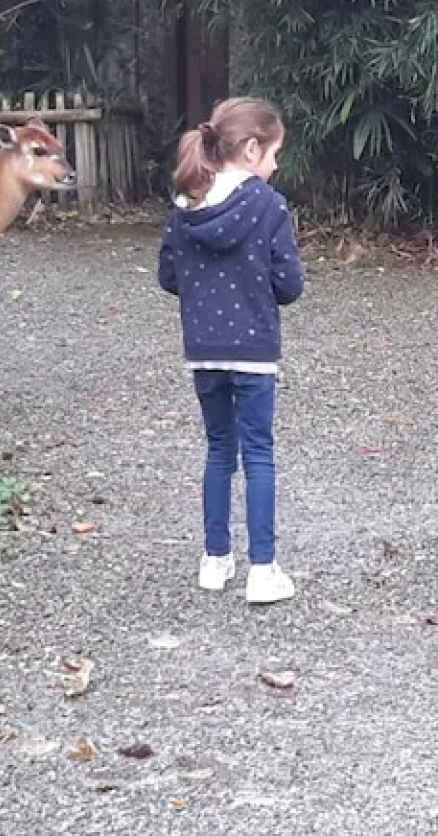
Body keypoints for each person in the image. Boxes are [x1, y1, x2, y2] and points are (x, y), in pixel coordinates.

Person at [157, 97, 305, 604]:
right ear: (250, 148)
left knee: (220, 450)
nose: (276, 164)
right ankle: (263, 569)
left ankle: (214, 560)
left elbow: (168, 276)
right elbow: (289, 284)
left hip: (203, 350)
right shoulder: (269, 206)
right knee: (258, 453)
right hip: (255, 351)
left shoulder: (184, 209)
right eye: (274, 152)